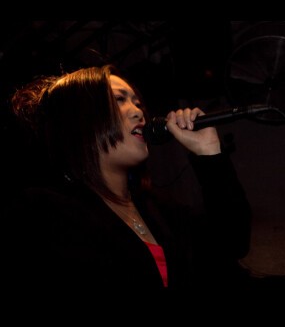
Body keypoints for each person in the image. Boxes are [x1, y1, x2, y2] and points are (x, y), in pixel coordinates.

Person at [3, 64, 252, 292]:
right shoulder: (43, 211)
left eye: (137, 103)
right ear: (79, 119)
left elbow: (233, 242)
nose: (138, 112)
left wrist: (209, 153)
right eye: (119, 100)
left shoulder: (160, 209)